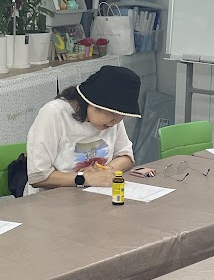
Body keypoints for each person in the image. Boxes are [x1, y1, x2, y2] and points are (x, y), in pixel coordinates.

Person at [26, 65, 141, 193]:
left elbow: (126, 157)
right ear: (91, 102)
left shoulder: (112, 121)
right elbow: (38, 177)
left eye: (122, 115)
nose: (117, 121)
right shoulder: (54, 113)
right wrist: (85, 178)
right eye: (112, 113)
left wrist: (105, 171)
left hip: (93, 195)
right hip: (51, 199)